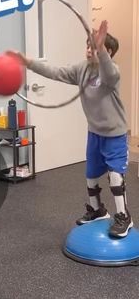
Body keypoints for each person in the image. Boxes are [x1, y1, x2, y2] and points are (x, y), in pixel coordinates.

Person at [8, 20, 133, 238]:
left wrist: (100, 49)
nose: (88, 50)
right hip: (95, 133)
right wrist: (27, 62)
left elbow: (110, 73)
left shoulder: (111, 73)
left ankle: (123, 216)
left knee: (115, 176)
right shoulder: (81, 69)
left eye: (93, 47)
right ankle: (97, 210)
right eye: (87, 45)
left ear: (107, 51)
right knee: (91, 175)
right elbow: (55, 72)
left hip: (115, 135)